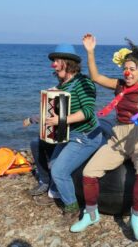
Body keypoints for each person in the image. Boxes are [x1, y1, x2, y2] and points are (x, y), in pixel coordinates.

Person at [70, 34, 138, 242]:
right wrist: (90, 52)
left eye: (133, 69)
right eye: (125, 68)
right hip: (118, 137)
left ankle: (135, 218)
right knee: (89, 172)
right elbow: (96, 77)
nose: (127, 73)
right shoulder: (119, 85)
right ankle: (91, 214)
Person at [38, 44, 104, 225]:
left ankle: (72, 208)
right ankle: (57, 194)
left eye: (57, 61)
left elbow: (89, 112)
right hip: (69, 133)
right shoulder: (64, 83)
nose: (53, 65)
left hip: (86, 136)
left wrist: (61, 120)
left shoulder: (83, 83)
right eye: (53, 62)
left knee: (59, 170)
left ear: (68, 63)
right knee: (52, 164)